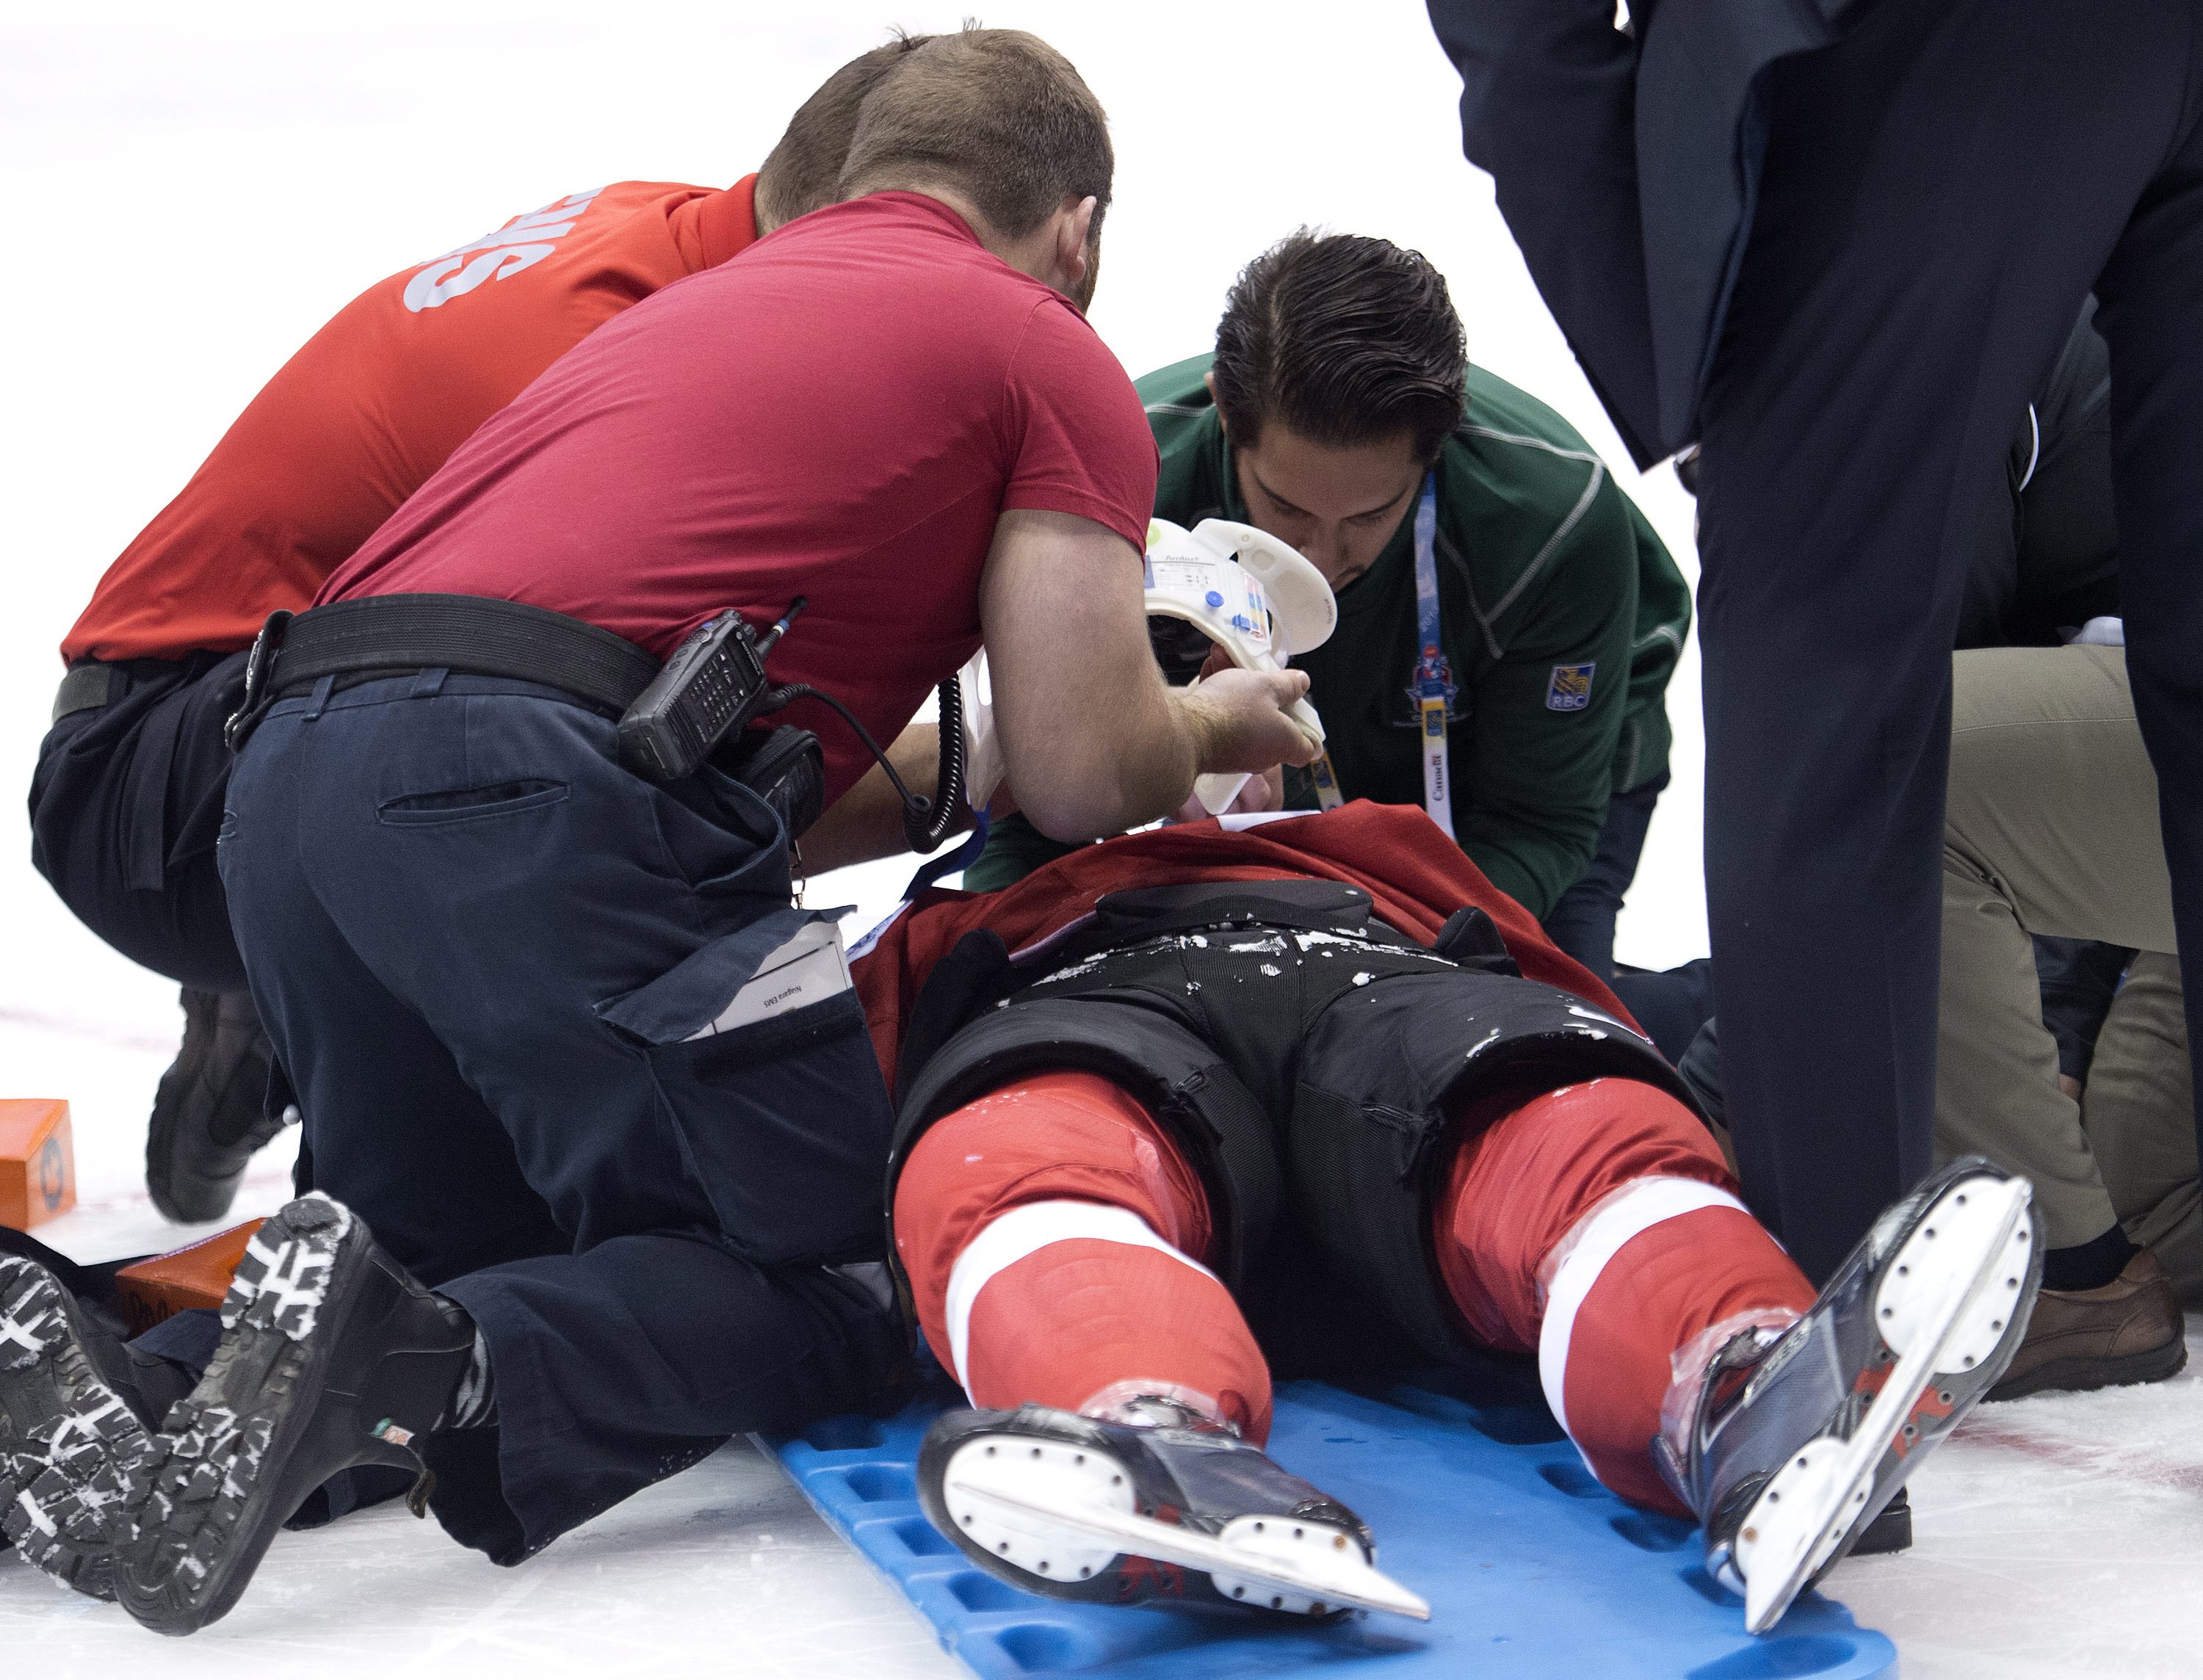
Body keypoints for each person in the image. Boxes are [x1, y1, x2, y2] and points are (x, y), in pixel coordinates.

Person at [8, 29, 1323, 1634]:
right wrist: (1208, 720)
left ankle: (117, 1405)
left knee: (440, 1242)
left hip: (281, 780)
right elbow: (1078, 762)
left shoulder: (666, 309)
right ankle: (420, 1358)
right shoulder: (1043, 348)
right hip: (511, 783)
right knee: (837, 1265)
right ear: (1080, 228)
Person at [28, 33, 946, 1228]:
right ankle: (309, 1010)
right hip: (155, 784)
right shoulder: (615, 363)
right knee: (606, 802)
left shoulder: (664, 228)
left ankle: (291, 1002)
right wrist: (1005, 765)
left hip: (198, 725)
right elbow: (640, 800)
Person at [1425, 0, 2203, 1289]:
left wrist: (1686, 363)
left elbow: (1521, 28)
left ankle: (1828, 1409)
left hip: (1919, 51)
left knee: (1825, 704)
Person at [850, 803, 2040, 1634]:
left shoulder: (1382, 843)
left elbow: (1574, 999)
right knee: (1017, 1154)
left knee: (1561, 1119)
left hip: (1381, 980)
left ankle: (1740, 1388)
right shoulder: (972, 904)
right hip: (1087, 998)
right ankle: (1144, 1436)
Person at [963, 231, 1689, 980]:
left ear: (1435, 451)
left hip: (1531, 781)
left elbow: (1537, 823)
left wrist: (1378, 961)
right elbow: (1024, 809)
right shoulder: (1101, 490)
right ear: (1223, 411)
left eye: (1369, 516)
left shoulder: (1553, 528)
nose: (1316, 557)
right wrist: (987, 965)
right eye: (1284, 505)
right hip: (1304, 779)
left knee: (1553, 1028)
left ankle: (1722, 1032)